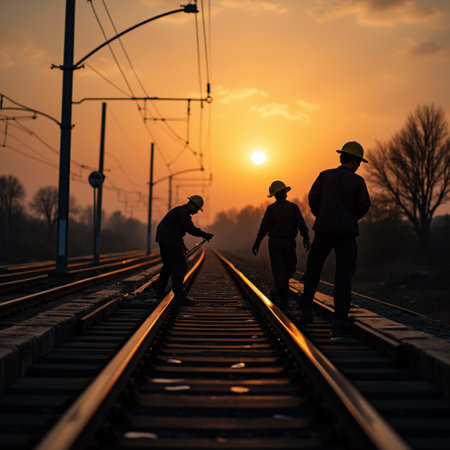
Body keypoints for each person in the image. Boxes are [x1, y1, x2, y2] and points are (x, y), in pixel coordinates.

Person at [299, 141, 371, 335]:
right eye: (359, 162)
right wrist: (350, 217)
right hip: (346, 233)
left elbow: (312, 198)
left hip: (324, 229)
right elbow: (364, 205)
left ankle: (306, 312)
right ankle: (339, 320)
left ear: (342, 157)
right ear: (354, 161)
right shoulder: (358, 182)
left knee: (313, 269)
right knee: (344, 275)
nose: (358, 166)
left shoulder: (325, 176)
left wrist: (321, 214)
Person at [252, 180, 310, 303]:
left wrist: (257, 242)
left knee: (278, 269)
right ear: (284, 192)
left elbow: (263, 227)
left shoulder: (271, 209)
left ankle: (279, 290)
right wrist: (306, 237)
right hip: (288, 242)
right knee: (290, 268)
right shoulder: (293, 207)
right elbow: (301, 224)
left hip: (274, 242)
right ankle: (281, 293)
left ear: (274, 195)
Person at [152, 195, 214, 306]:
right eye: (197, 209)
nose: (197, 212)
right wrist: (204, 234)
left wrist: (181, 244)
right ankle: (179, 296)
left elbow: (176, 231)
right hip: (169, 240)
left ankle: (159, 291)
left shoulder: (179, 211)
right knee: (180, 266)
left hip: (164, 239)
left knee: (168, 266)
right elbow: (190, 229)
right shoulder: (183, 213)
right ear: (191, 204)